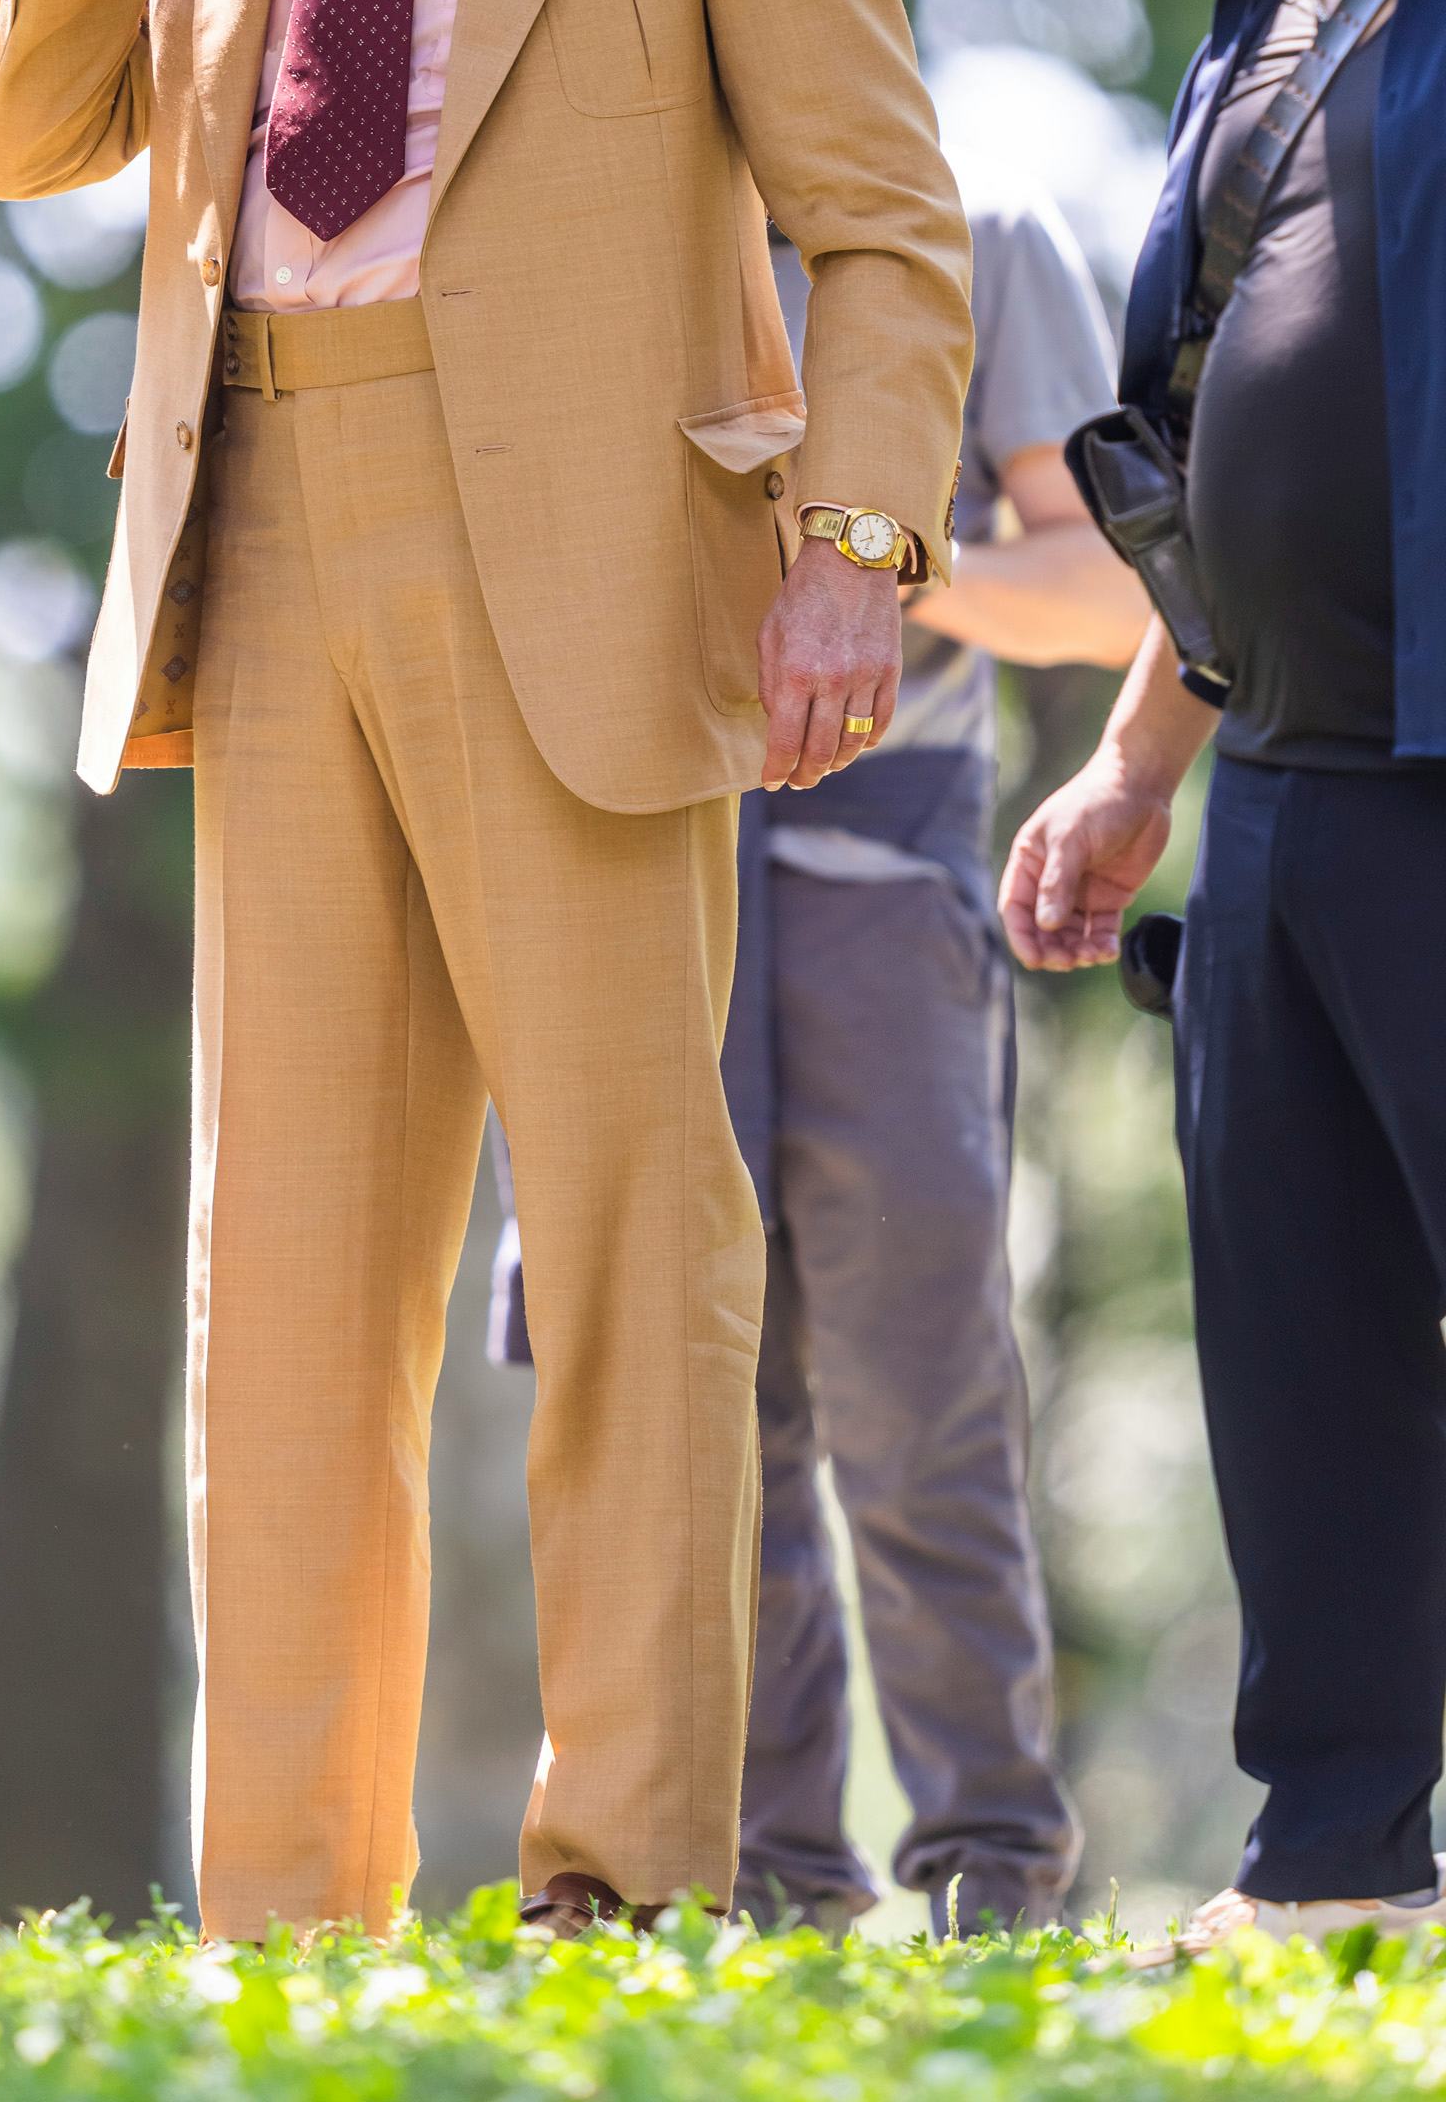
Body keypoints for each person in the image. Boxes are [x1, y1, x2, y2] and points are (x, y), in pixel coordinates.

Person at [0, 0, 972, 1942]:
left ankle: (620, 1889)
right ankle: (290, 1924)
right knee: (280, 1280)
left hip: (594, 568)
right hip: (265, 539)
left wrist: (859, 552)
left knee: (637, 1244)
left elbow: (884, 227)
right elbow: (36, 142)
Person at [493, 190, 1143, 1936]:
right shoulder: (605, 221)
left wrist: (873, 564)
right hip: (628, 871)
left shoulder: (978, 239)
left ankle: (993, 1869)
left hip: (881, 884)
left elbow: (1097, 590)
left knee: (921, 1399)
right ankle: (774, 1873)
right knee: (689, 1409)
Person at [1004, 0, 1446, 1948]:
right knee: (1295, 1341)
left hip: (1445, 752)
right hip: (1271, 767)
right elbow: (1203, 417)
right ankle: (1335, 1876)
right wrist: (1133, 756)